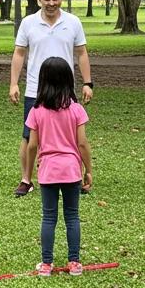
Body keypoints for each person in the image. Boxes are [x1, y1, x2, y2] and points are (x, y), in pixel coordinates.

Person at [9, 0, 93, 197]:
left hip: (67, 90)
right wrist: (13, 84)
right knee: (29, 136)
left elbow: (82, 53)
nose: (51, 3)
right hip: (35, 90)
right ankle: (26, 179)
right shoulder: (28, 23)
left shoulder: (73, 22)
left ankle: (77, 177)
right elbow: (19, 53)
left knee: (73, 135)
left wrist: (87, 83)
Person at [26, 57, 93, 276]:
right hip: (72, 170)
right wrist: (89, 169)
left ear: (42, 81)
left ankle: (46, 264)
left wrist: (30, 170)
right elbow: (82, 143)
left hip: (48, 170)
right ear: (68, 80)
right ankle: (75, 263)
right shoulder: (76, 110)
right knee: (72, 216)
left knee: (49, 217)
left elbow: (32, 144)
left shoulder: (36, 110)